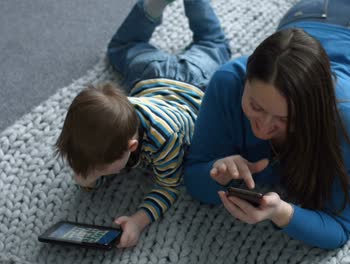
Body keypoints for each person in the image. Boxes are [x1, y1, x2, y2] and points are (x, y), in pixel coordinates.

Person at [184, 0, 350, 249]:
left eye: (284, 118)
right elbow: (194, 177)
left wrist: (282, 213)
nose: (263, 127)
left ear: (313, 109)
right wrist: (217, 172)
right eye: (256, 106)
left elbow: (340, 227)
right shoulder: (229, 81)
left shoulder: (345, 119)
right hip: (314, 17)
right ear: (246, 79)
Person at [55, 0, 230, 248]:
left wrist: (138, 220)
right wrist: (87, 177)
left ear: (132, 145)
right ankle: (150, 8)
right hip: (151, 74)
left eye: (103, 170)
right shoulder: (114, 114)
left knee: (215, 45)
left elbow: (169, 186)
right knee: (121, 48)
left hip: (194, 78)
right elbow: (95, 145)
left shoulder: (165, 140)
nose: (99, 174)